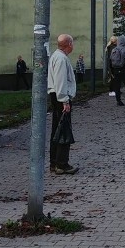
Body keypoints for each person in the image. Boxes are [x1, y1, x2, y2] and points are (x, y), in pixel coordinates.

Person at [47, 34, 78, 175]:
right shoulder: (61, 59)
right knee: (63, 130)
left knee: (57, 130)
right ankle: (61, 164)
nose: (73, 46)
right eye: (72, 43)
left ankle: (54, 162)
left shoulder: (57, 56)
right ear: (68, 44)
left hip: (58, 96)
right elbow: (60, 81)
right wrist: (65, 100)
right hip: (60, 98)